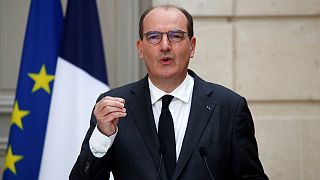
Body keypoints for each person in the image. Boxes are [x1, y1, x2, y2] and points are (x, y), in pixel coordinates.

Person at [70, 4, 269, 180]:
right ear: (140, 49)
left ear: (192, 46)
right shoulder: (115, 106)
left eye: (175, 36)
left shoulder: (229, 107)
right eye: (154, 37)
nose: (165, 46)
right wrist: (103, 136)